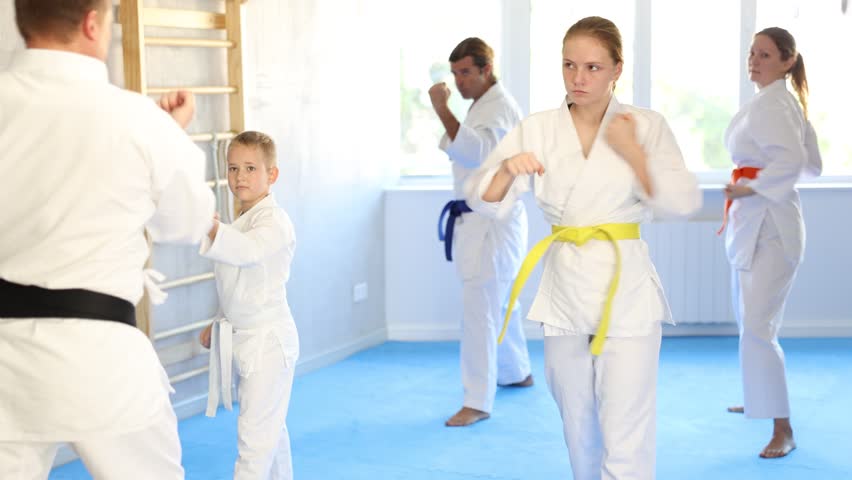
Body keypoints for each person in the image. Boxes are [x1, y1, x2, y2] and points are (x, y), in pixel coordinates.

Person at [467, 17, 701, 479]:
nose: (579, 78)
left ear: (617, 69)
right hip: (565, 290)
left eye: (593, 67)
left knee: (627, 429)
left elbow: (683, 202)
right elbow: (483, 198)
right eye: (569, 65)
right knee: (578, 425)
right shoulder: (537, 128)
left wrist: (633, 152)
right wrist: (508, 169)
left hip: (627, 289)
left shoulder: (646, 125)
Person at [0, 0, 216, 478]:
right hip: (101, 357)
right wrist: (171, 138)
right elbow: (187, 223)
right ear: (92, 23)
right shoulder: (136, 119)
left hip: (6, 358)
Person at [720, 26, 822, 459]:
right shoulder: (776, 102)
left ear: (786, 61)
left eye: (765, 54)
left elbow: (797, 162)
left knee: (759, 329)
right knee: (753, 322)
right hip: (759, 222)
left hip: (771, 229)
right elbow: (812, 165)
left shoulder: (778, 104)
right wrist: (753, 185)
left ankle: (784, 428)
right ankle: (760, 396)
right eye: (752, 52)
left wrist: (754, 186)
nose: (754, 60)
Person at [429, 37, 533, 427]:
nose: (458, 82)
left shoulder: (499, 107)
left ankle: (477, 401)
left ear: (486, 69)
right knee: (499, 303)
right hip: (486, 219)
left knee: (480, 310)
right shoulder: (485, 105)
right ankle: (515, 371)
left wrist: (442, 109)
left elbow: (479, 154)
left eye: (466, 72)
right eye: (454, 73)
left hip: (492, 220)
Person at [199, 131, 300, 479]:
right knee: (270, 433)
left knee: (254, 443)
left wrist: (208, 226)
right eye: (233, 168)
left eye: (250, 168)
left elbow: (248, 253)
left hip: (268, 342)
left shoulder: (275, 222)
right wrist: (217, 321)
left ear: (272, 175)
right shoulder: (241, 221)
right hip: (249, 339)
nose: (240, 176)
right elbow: (237, 283)